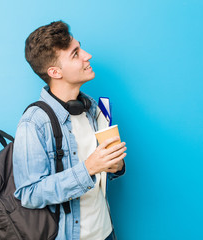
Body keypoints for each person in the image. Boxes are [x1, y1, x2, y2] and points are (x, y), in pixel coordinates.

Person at [13, 20, 127, 240]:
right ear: (55, 71)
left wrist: (116, 166)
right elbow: (28, 193)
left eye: (80, 47)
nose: (88, 55)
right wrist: (88, 169)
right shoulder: (34, 123)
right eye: (75, 54)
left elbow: (106, 170)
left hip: (106, 232)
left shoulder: (92, 108)